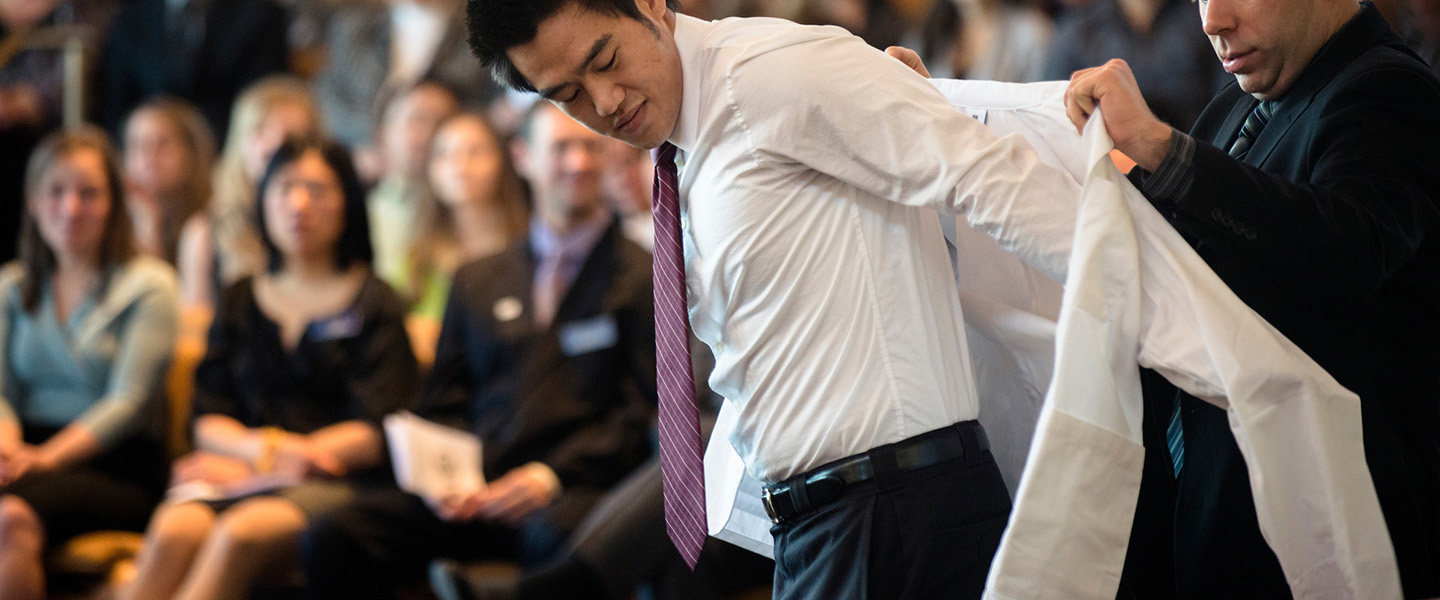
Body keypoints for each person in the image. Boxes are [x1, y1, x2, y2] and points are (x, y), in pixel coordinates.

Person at [465, 1, 1080, 598]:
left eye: (604, 59)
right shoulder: (685, 145)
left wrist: (1152, 314)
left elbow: (991, 178)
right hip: (825, 519)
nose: (602, 102)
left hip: (891, 506)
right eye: (567, 95)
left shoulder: (769, 71)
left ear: (649, 4)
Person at [1063, 0, 1440, 595]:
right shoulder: (1236, 106)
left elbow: (1341, 251)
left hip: (1332, 540)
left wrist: (1163, 150)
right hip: (1219, 530)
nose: (1212, 20)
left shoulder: (1392, 90)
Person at [300, 102, 656, 600]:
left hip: (566, 487)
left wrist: (549, 476)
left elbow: (642, 412)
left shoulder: (644, 276)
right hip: (470, 487)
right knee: (335, 535)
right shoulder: (476, 279)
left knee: (559, 537)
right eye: (561, 149)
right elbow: (443, 403)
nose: (578, 163)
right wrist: (445, 478)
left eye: (590, 147)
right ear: (523, 156)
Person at [117, 137, 419, 600]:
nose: (298, 205)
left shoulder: (376, 300)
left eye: (317, 190)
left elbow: (377, 429)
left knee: (240, 535)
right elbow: (209, 416)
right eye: (284, 188)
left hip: (341, 483)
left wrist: (268, 467)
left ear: (347, 204)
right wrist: (259, 457)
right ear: (263, 201)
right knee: (175, 528)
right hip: (238, 471)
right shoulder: (241, 297)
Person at [0, 127, 177, 600]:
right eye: (56, 192)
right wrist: (11, 448)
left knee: (8, 518)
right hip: (23, 451)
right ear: (33, 201)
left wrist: (44, 459)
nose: (71, 208)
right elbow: (1, 391)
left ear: (115, 203)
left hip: (114, 466)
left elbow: (129, 402)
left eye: (89, 193)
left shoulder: (149, 285)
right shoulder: (12, 286)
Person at [175, 76, 322, 309]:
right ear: (239, 141)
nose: (273, 146)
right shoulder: (204, 233)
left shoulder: (330, 228)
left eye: (291, 140)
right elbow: (194, 333)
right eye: (260, 130)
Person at [401, 111, 529, 326]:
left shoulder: (529, 246)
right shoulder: (415, 260)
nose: (460, 165)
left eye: (475, 151)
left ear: (502, 160)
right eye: (444, 153)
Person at [98, 0, 288, 142]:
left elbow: (261, 107)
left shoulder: (260, 15)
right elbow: (114, 105)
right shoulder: (131, 15)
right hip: (144, 160)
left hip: (226, 161)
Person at [1042, 0, 1227, 131]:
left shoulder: (1205, 19)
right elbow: (1052, 115)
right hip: (1110, 164)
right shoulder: (1077, 32)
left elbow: (1229, 105)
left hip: (1198, 156)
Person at [367, 81, 461, 312]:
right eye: (417, 120)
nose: (429, 134)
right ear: (383, 134)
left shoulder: (467, 211)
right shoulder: (356, 209)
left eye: (441, 122)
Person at [122, 97, 217, 266]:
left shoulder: (213, 220)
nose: (148, 158)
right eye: (136, 145)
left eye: (162, 144)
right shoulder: (115, 221)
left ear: (192, 152)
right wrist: (148, 222)